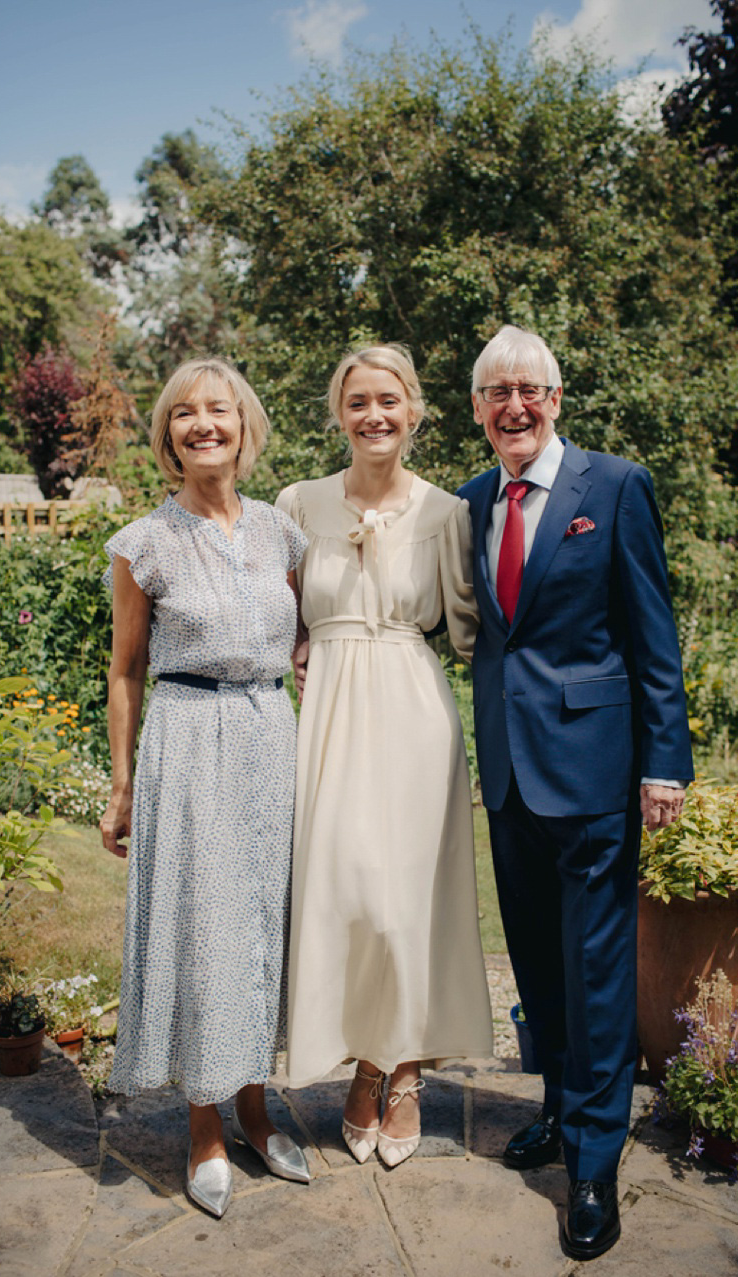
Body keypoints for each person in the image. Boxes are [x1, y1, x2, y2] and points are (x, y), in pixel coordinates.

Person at [458, 326, 693, 1260]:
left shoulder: (616, 486)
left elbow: (651, 634)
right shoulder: (473, 499)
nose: (513, 406)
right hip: (511, 774)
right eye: (494, 392)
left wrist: (663, 760)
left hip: (595, 769)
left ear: (555, 397)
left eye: (528, 388)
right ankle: (558, 1108)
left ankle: (593, 1162)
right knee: (538, 963)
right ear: (476, 409)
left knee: (596, 971)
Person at [99, 356, 311, 1219]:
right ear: (169, 436)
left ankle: (257, 1108)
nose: (202, 425)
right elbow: (124, 672)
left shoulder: (280, 532)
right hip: (187, 738)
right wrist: (120, 784)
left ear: (243, 425)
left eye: (217, 410)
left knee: (263, 921)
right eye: (183, 414)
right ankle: (204, 1126)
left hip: (270, 735)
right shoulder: (142, 543)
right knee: (199, 924)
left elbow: (302, 641)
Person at [277, 344, 493, 1168]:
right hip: (328, 711)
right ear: (338, 412)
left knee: (404, 901)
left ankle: (394, 1070)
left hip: (411, 712)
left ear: (414, 410)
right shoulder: (296, 503)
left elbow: (473, 630)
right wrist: (294, 649)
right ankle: (357, 1050)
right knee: (343, 891)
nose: (374, 414)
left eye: (388, 400)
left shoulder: (445, 511)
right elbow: (278, 613)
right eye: (357, 400)